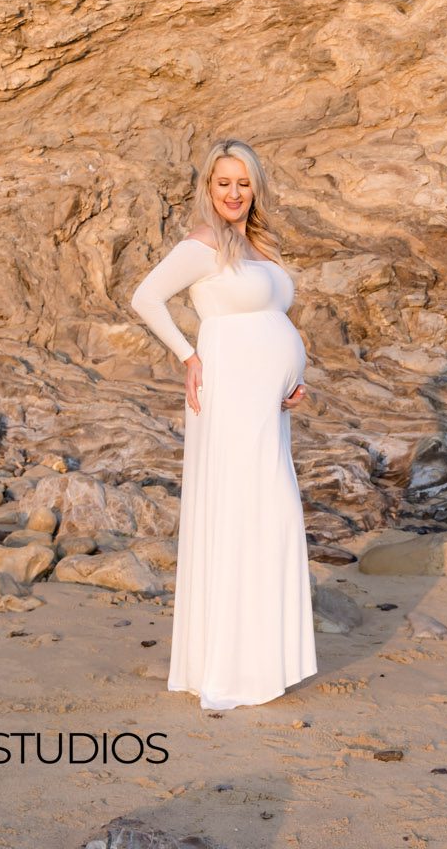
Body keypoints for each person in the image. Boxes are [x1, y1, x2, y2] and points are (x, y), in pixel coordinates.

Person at [129, 137, 318, 712]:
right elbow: (145, 298)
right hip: (230, 395)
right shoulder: (203, 243)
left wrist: (289, 376)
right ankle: (232, 669)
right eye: (223, 183)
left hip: (265, 402)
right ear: (208, 189)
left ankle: (261, 661)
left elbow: (268, 318)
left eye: (243, 183)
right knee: (248, 515)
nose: (234, 193)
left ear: (255, 186)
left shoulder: (256, 243)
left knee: (271, 517)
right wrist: (189, 356)